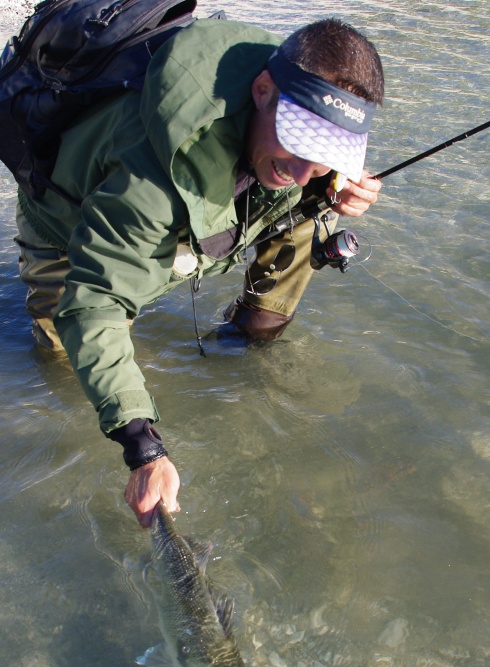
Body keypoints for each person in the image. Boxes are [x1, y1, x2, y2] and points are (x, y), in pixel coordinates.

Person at [14, 16, 384, 526]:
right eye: (298, 145)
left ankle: (251, 333)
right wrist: (142, 447)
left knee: (304, 214)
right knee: (63, 351)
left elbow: (301, 177)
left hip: (186, 203)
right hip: (67, 222)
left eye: (324, 156)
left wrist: (331, 190)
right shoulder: (148, 181)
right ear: (261, 90)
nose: (300, 172)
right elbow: (94, 304)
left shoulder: (297, 157)